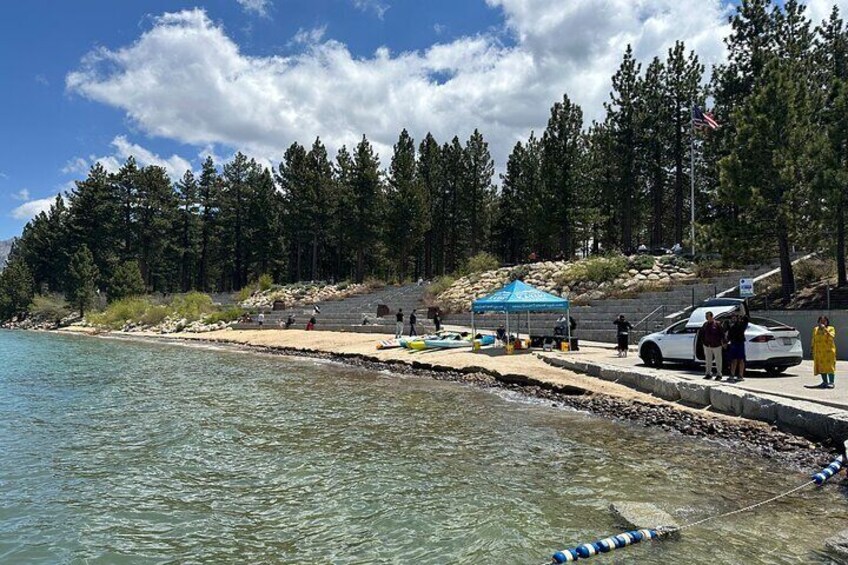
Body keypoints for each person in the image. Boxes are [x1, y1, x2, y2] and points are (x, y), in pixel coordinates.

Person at [699, 311, 726, 380]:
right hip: (707, 345)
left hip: (716, 345)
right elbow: (701, 334)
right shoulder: (705, 324)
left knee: (718, 360)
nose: (707, 318)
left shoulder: (717, 324)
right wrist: (703, 342)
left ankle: (719, 374)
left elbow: (722, 334)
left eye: (708, 316)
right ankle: (708, 373)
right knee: (708, 360)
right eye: (706, 316)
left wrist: (723, 343)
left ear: (711, 316)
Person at [812, 316, 837, 388]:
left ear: (827, 322)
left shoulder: (831, 328)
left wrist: (825, 329)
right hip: (819, 352)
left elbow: (832, 336)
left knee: (829, 367)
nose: (822, 322)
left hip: (828, 351)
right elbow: (813, 339)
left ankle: (831, 382)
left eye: (824, 321)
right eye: (821, 321)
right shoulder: (816, 329)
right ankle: (824, 382)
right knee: (821, 367)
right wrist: (812, 348)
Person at [726, 313, 749, 382]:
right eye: (732, 317)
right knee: (733, 360)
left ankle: (740, 375)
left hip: (740, 343)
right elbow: (729, 335)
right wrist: (726, 341)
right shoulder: (730, 325)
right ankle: (732, 375)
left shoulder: (742, 324)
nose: (733, 318)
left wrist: (742, 315)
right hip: (733, 343)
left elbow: (746, 320)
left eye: (735, 317)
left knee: (741, 360)